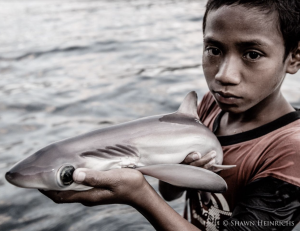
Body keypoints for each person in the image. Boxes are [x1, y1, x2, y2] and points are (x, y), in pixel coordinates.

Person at [40, 0, 300, 230]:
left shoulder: (291, 153)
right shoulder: (210, 106)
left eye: (252, 54)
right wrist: (177, 173)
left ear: (294, 57)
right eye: (214, 50)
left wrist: (139, 194)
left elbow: (154, 198)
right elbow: (171, 193)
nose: (224, 75)